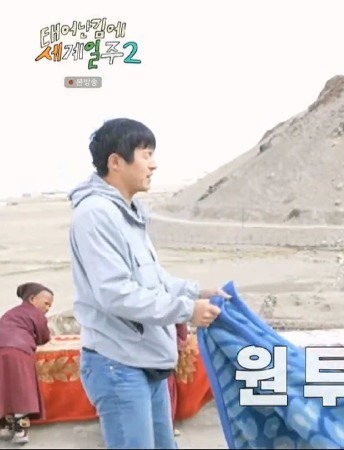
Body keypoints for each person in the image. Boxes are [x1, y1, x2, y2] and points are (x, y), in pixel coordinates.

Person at [68, 118, 229, 449]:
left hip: (146, 358)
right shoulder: (96, 214)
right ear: (116, 161)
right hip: (118, 363)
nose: (153, 165)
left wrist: (196, 292)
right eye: (146, 154)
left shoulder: (128, 212)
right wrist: (187, 310)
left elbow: (152, 278)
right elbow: (116, 294)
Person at [0, 282, 55, 445]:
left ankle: (4, 426)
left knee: (5, 388)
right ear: (32, 299)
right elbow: (44, 336)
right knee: (22, 389)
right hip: (19, 352)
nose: (48, 308)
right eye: (46, 303)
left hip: (1, 349)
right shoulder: (35, 314)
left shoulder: (10, 313)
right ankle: (20, 430)